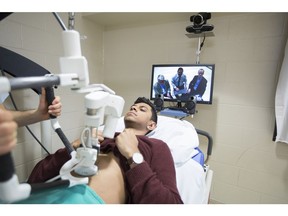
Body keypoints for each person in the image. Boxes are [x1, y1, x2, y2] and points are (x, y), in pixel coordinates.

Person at [27, 97, 183, 204]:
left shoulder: (156, 146)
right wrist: (72, 148)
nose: (134, 108)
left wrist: (133, 154)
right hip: (47, 196)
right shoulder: (103, 138)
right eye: (133, 107)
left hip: (85, 202)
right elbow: (35, 179)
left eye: (142, 109)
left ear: (151, 125)